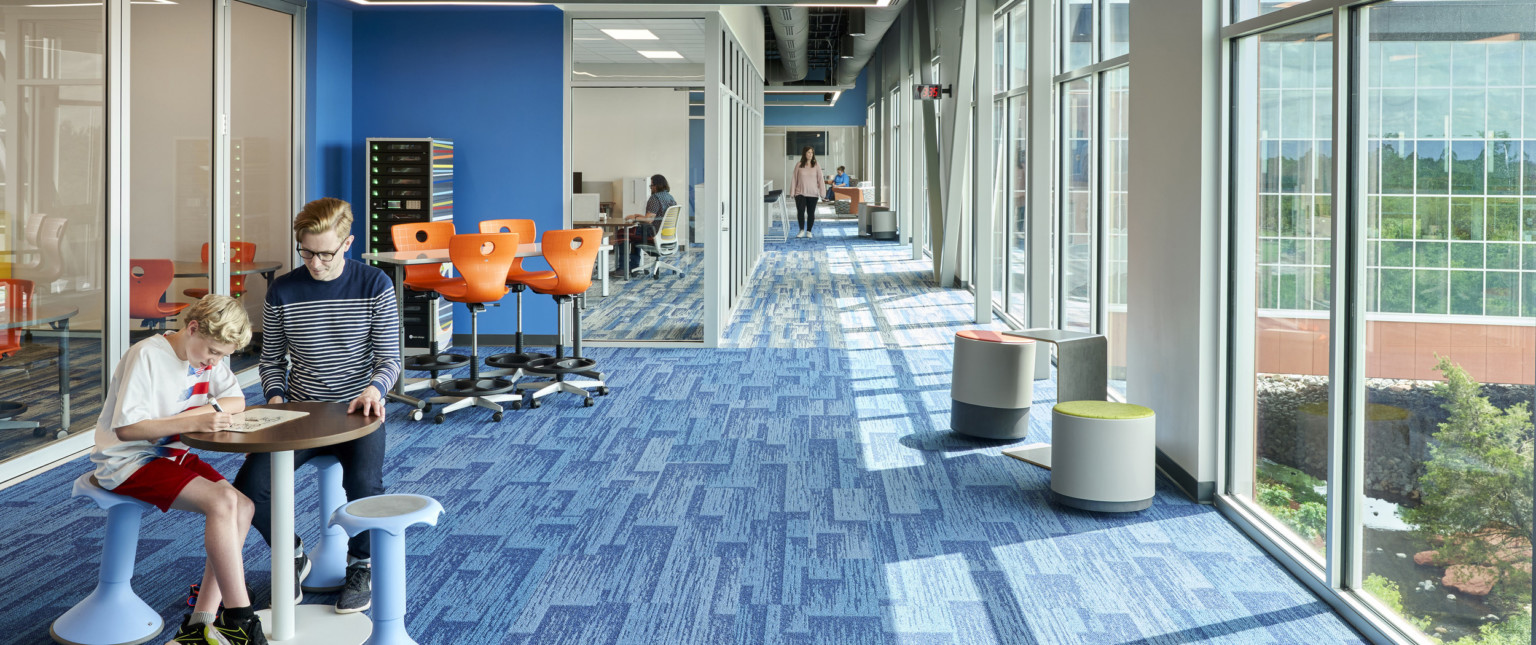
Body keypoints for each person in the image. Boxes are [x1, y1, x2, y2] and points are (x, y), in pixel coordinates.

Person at [232, 197, 400, 615]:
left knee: (364, 486)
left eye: (325, 253)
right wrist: (275, 400)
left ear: (347, 244)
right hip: (301, 415)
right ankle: (291, 555)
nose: (316, 263)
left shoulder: (374, 283)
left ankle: (361, 564)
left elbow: (389, 359)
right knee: (250, 489)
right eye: (306, 252)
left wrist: (375, 391)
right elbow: (271, 362)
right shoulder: (284, 289)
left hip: (357, 413)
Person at [89, 295, 267, 645]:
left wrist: (206, 410)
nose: (215, 362)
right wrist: (195, 418)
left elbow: (237, 400)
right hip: (129, 459)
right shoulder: (147, 355)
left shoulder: (207, 356)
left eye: (222, 356)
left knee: (243, 506)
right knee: (221, 503)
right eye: (213, 352)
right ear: (193, 328)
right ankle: (240, 618)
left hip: (172, 454)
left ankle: (199, 625)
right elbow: (128, 429)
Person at [617, 174, 678, 275]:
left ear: (657, 185)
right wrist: (639, 216)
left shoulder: (655, 198)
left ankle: (623, 268)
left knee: (623, 233)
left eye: (651, 185)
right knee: (633, 235)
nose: (650, 188)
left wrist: (635, 218)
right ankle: (634, 267)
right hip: (666, 235)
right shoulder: (670, 197)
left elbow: (649, 220)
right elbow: (658, 217)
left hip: (652, 234)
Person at [790, 146, 823, 238]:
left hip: (813, 193)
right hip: (800, 193)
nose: (810, 154)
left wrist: (822, 192)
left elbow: (820, 179)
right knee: (800, 212)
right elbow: (794, 179)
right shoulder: (799, 165)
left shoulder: (816, 165)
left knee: (811, 213)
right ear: (804, 153)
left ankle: (809, 231)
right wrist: (792, 192)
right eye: (808, 152)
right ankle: (801, 230)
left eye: (812, 153)